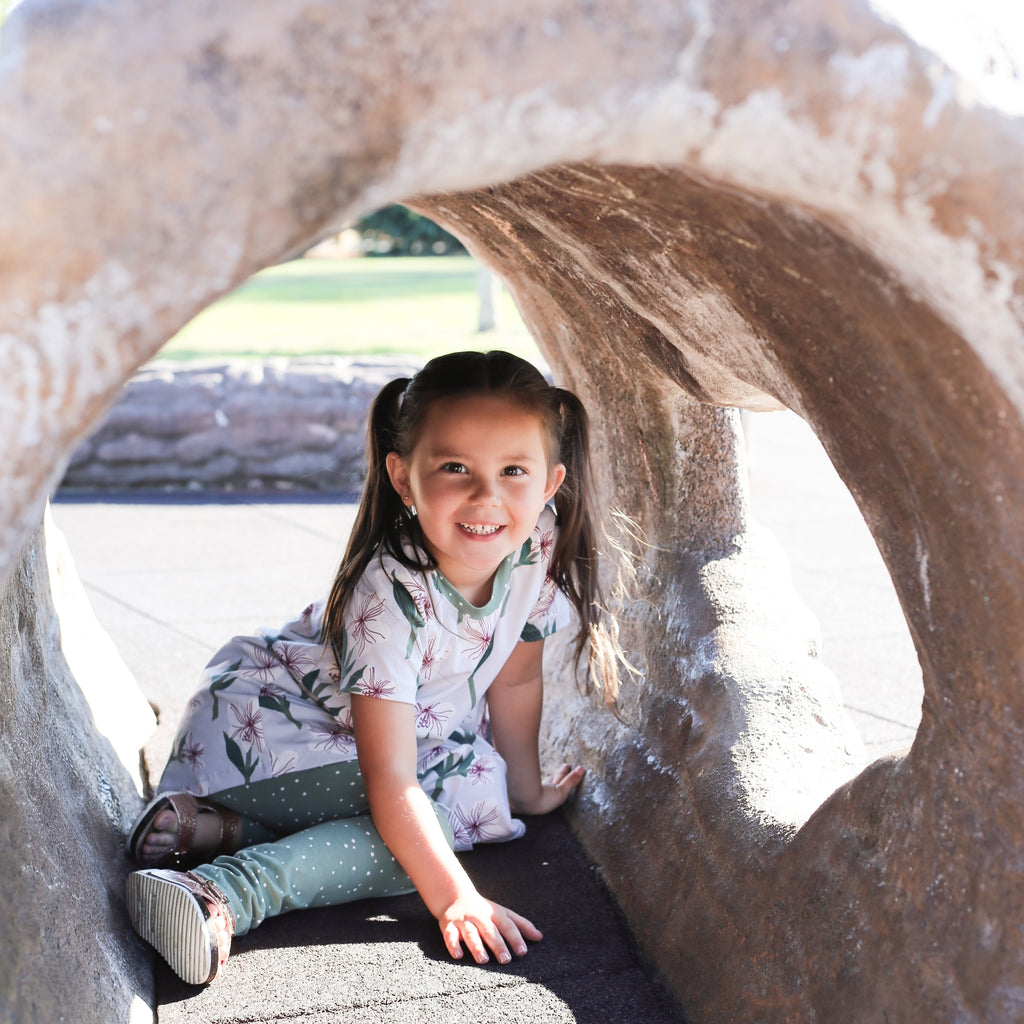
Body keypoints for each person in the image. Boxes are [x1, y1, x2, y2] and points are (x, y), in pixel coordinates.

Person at [125, 349, 623, 986]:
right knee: (423, 839)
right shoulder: (388, 598)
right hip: (267, 728)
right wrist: (455, 898)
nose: (487, 496)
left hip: (364, 744)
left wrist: (525, 790)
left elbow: (517, 675)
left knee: (480, 795)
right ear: (402, 476)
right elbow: (390, 779)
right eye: (455, 467)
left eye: (513, 471)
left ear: (550, 483)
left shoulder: (537, 543)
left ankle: (225, 830)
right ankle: (223, 893)